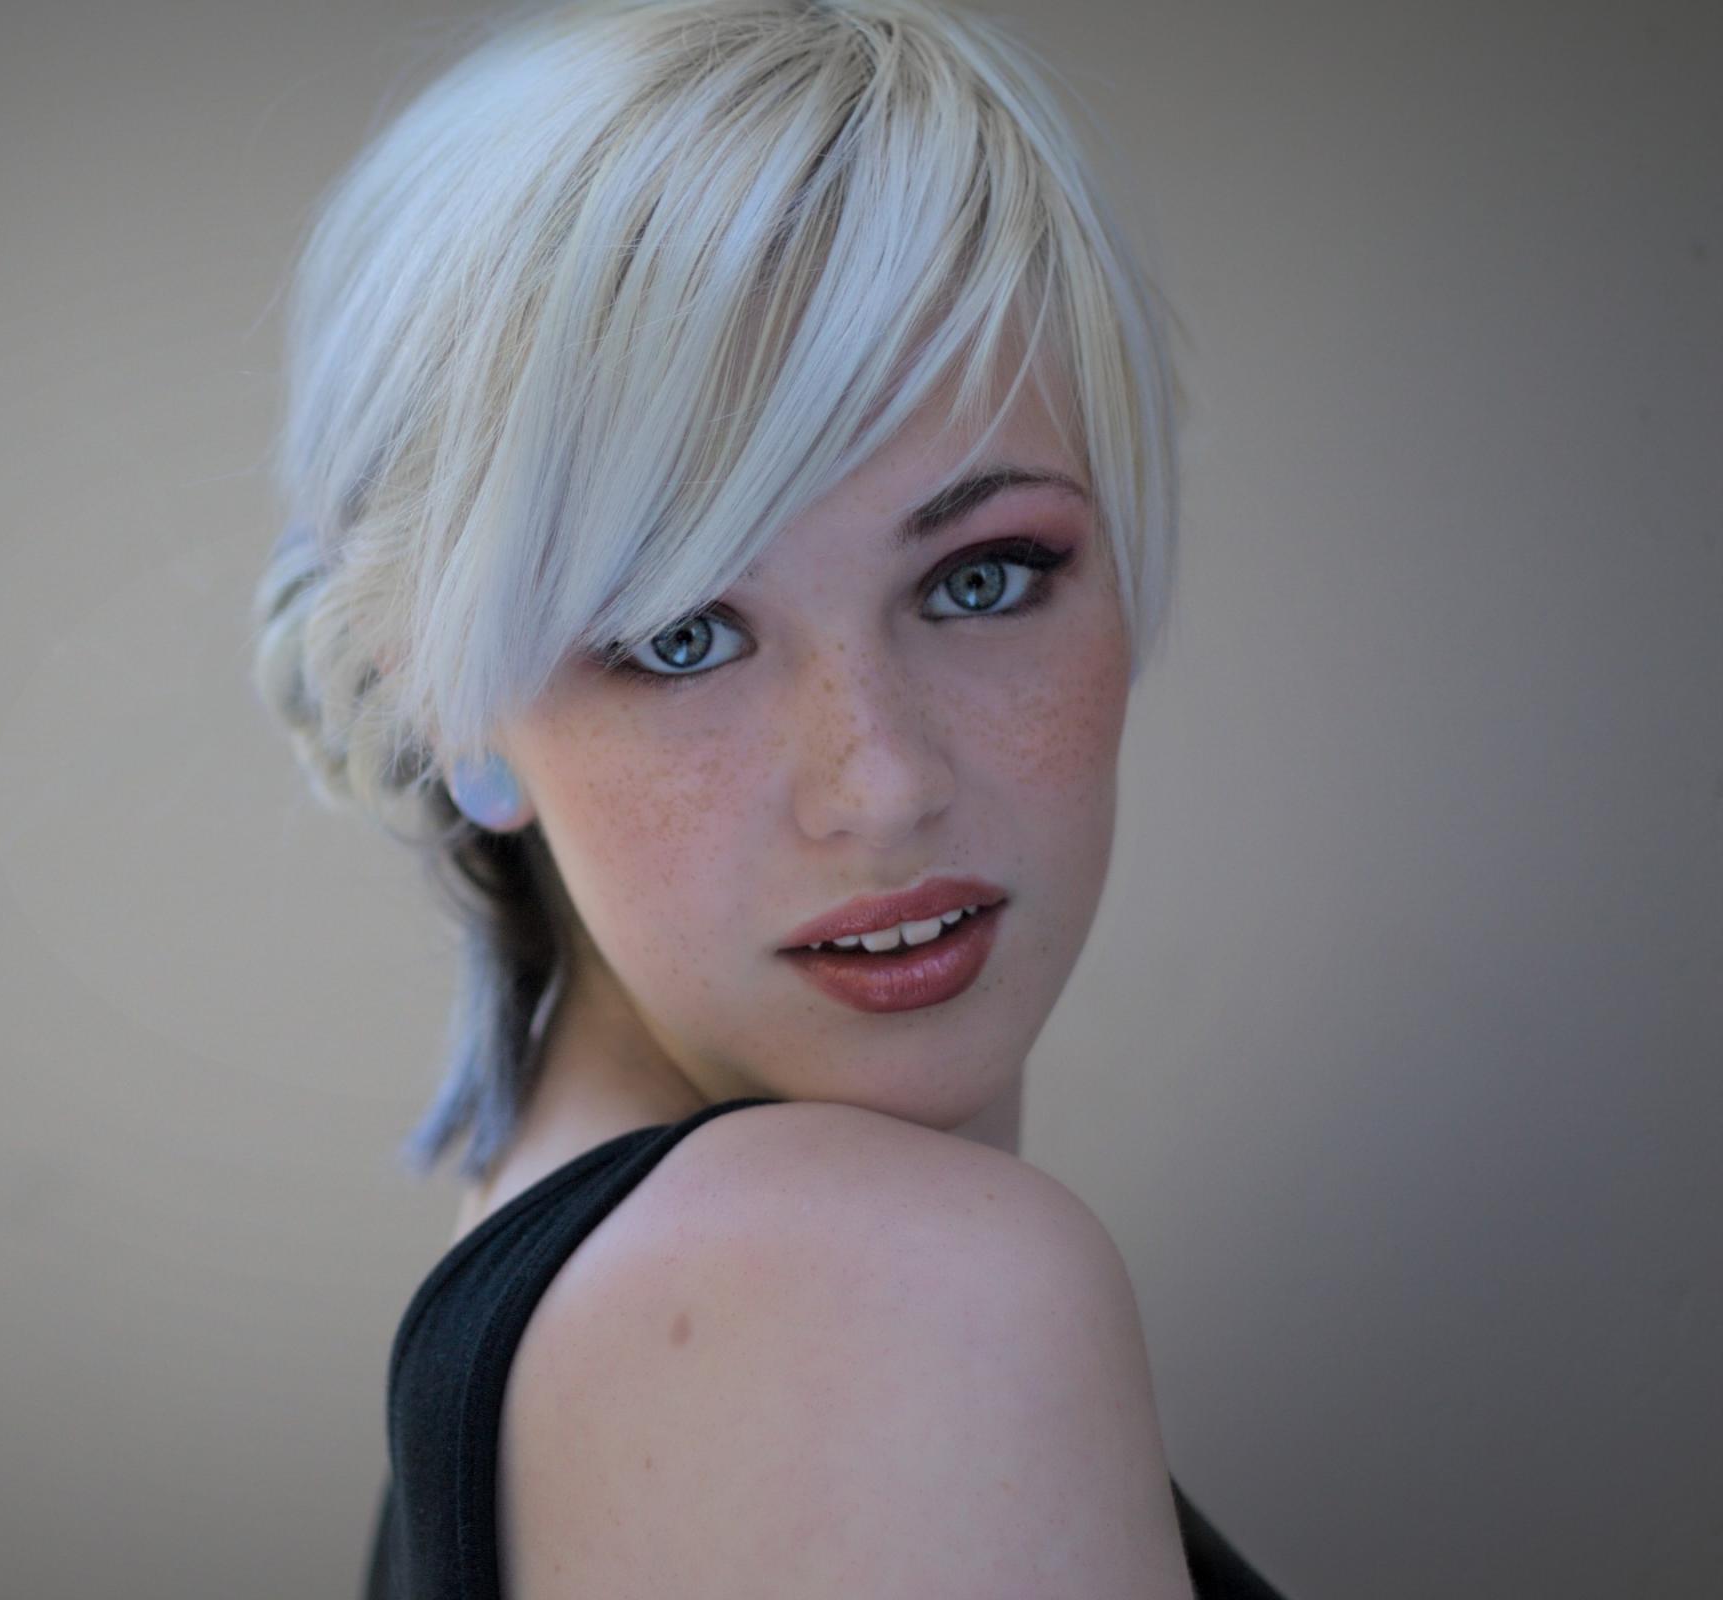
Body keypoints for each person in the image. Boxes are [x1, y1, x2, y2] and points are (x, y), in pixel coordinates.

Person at [251, 1, 1287, 1593]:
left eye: (983, 577)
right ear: (449, 706)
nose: (884, 785)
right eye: (682, 637)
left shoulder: (585, 1270)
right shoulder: (863, 1294)